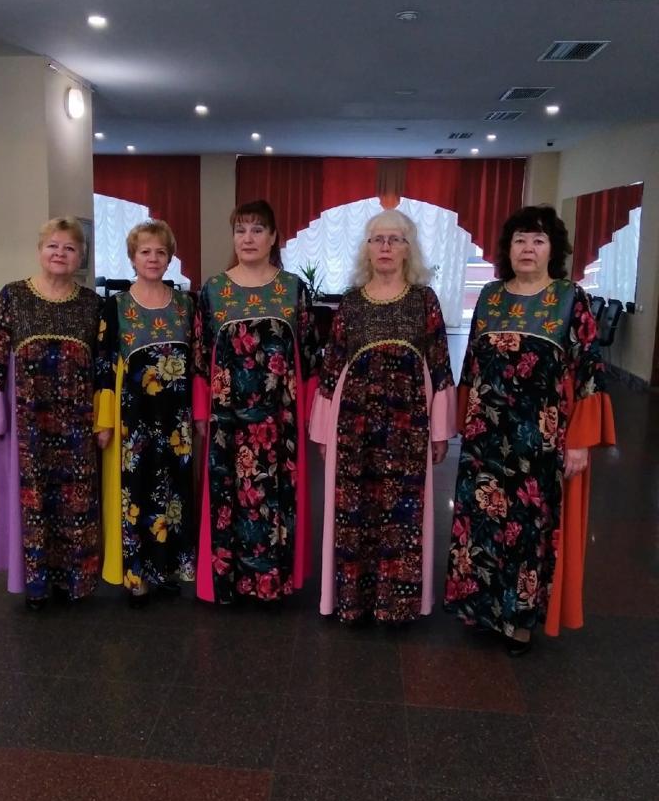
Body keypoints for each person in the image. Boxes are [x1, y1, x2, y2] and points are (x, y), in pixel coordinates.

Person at [444, 205, 616, 654]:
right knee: (481, 524)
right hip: (485, 438)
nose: (528, 248)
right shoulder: (489, 296)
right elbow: (473, 362)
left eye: (538, 240)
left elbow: (590, 370)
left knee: (526, 531)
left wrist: (580, 442)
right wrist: (462, 419)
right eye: (520, 239)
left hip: (537, 441)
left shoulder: (569, 298)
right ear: (508, 248)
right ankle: (481, 609)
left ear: (552, 250)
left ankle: (518, 621)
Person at [310, 210, 456, 625]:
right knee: (353, 512)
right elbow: (332, 365)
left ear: (409, 249)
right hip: (353, 428)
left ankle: (399, 604)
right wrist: (322, 432)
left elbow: (440, 364)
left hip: (408, 430)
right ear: (367, 249)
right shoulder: (351, 302)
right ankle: (353, 601)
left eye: (395, 239)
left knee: (403, 514)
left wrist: (441, 432)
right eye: (378, 239)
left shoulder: (424, 299)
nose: (386, 247)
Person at [0, 217, 100, 608]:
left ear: (81, 256)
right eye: (53, 246)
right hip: (28, 425)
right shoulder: (13, 296)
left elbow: (104, 363)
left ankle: (74, 582)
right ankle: (36, 585)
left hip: (77, 426)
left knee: (75, 503)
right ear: (40, 250)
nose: (60, 253)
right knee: (33, 501)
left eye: (70, 248)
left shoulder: (92, 304)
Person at [193, 200, 320, 605]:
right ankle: (228, 582)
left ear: (273, 237)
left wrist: (310, 416)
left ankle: (273, 583)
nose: (248, 238)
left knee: (276, 498)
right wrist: (201, 413)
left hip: (280, 423)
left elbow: (310, 356)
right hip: (226, 422)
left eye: (257, 229)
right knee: (228, 498)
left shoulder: (293, 290)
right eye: (240, 230)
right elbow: (200, 356)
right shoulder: (213, 290)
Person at [95, 220, 195, 605]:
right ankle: (136, 575)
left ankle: (166, 571)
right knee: (135, 497)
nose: (153, 258)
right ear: (133, 258)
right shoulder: (116, 306)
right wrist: (104, 421)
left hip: (176, 421)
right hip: (133, 421)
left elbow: (197, 362)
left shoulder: (186, 304)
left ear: (170, 258)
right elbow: (103, 366)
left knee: (173, 495)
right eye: (145, 252)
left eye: (160, 252)